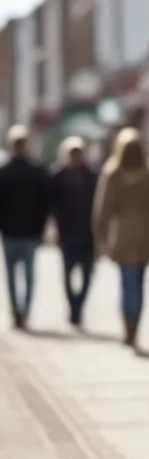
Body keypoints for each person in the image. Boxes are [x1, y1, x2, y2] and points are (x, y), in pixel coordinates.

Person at [92, 128, 149, 350]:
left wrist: (101, 238)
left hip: (122, 235)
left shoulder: (112, 174)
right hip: (145, 234)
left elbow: (102, 210)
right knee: (139, 283)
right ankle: (135, 323)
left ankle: (128, 325)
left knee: (127, 282)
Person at [0, 125, 51, 330]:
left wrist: (40, 228)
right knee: (17, 275)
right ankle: (18, 311)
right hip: (14, 232)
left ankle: (23, 311)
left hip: (24, 232)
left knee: (25, 275)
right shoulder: (8, 172)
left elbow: (45, 204)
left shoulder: (33, 172)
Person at [51, 136, 99, 328]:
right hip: (67, 233)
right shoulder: (58, 176)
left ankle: (78, 306)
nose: (76, 157)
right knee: (68, 275)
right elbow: (53, 206)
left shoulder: (92, 176)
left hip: (88, 234)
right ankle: (73, 308)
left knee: (88, 276)